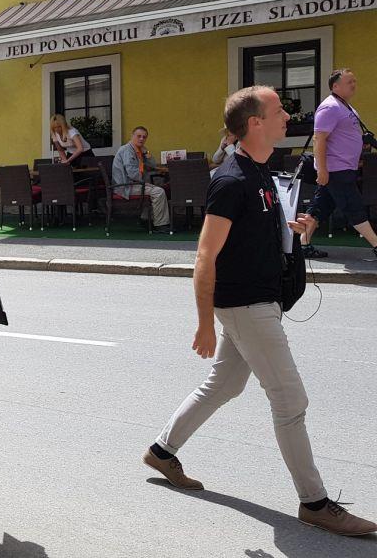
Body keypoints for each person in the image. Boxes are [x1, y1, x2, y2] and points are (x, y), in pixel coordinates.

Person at [144, 86, 376, 537]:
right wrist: (204, 322)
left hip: (259, 299)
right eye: (278, 111)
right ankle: (315, 502)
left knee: (224, 385)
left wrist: (296, 229)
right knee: (290, 400)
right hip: (246, 304)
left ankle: (162, 451)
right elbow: (205, 256)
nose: (288, 117)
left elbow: (256, 231)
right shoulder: (231, 180)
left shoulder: (260, 171)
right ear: (254, 123)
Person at [304, 69, 376, 259]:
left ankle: (303, 244)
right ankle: (376, 244)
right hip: (336, 169)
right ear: (335, 86)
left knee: (321, 206)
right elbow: (319, 140)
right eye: (349, 82)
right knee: (354, 206)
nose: (354, 84)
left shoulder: (345, 107)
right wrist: (323, 169)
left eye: (354, 81)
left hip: (343, 168)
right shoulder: (330, 107)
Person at [111, 126, 171, 228]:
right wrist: (146, 181)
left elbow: (152, 164)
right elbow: (132, 173)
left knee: (156, 187)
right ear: (132, 136)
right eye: (139, 136)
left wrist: (146, 152)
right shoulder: (127, 150)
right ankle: (161, 226)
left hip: (134, 184)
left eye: (144, 137)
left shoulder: (139, 150)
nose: (142, 139)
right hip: (125, 187)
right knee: (158, 191)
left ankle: (145, 218)